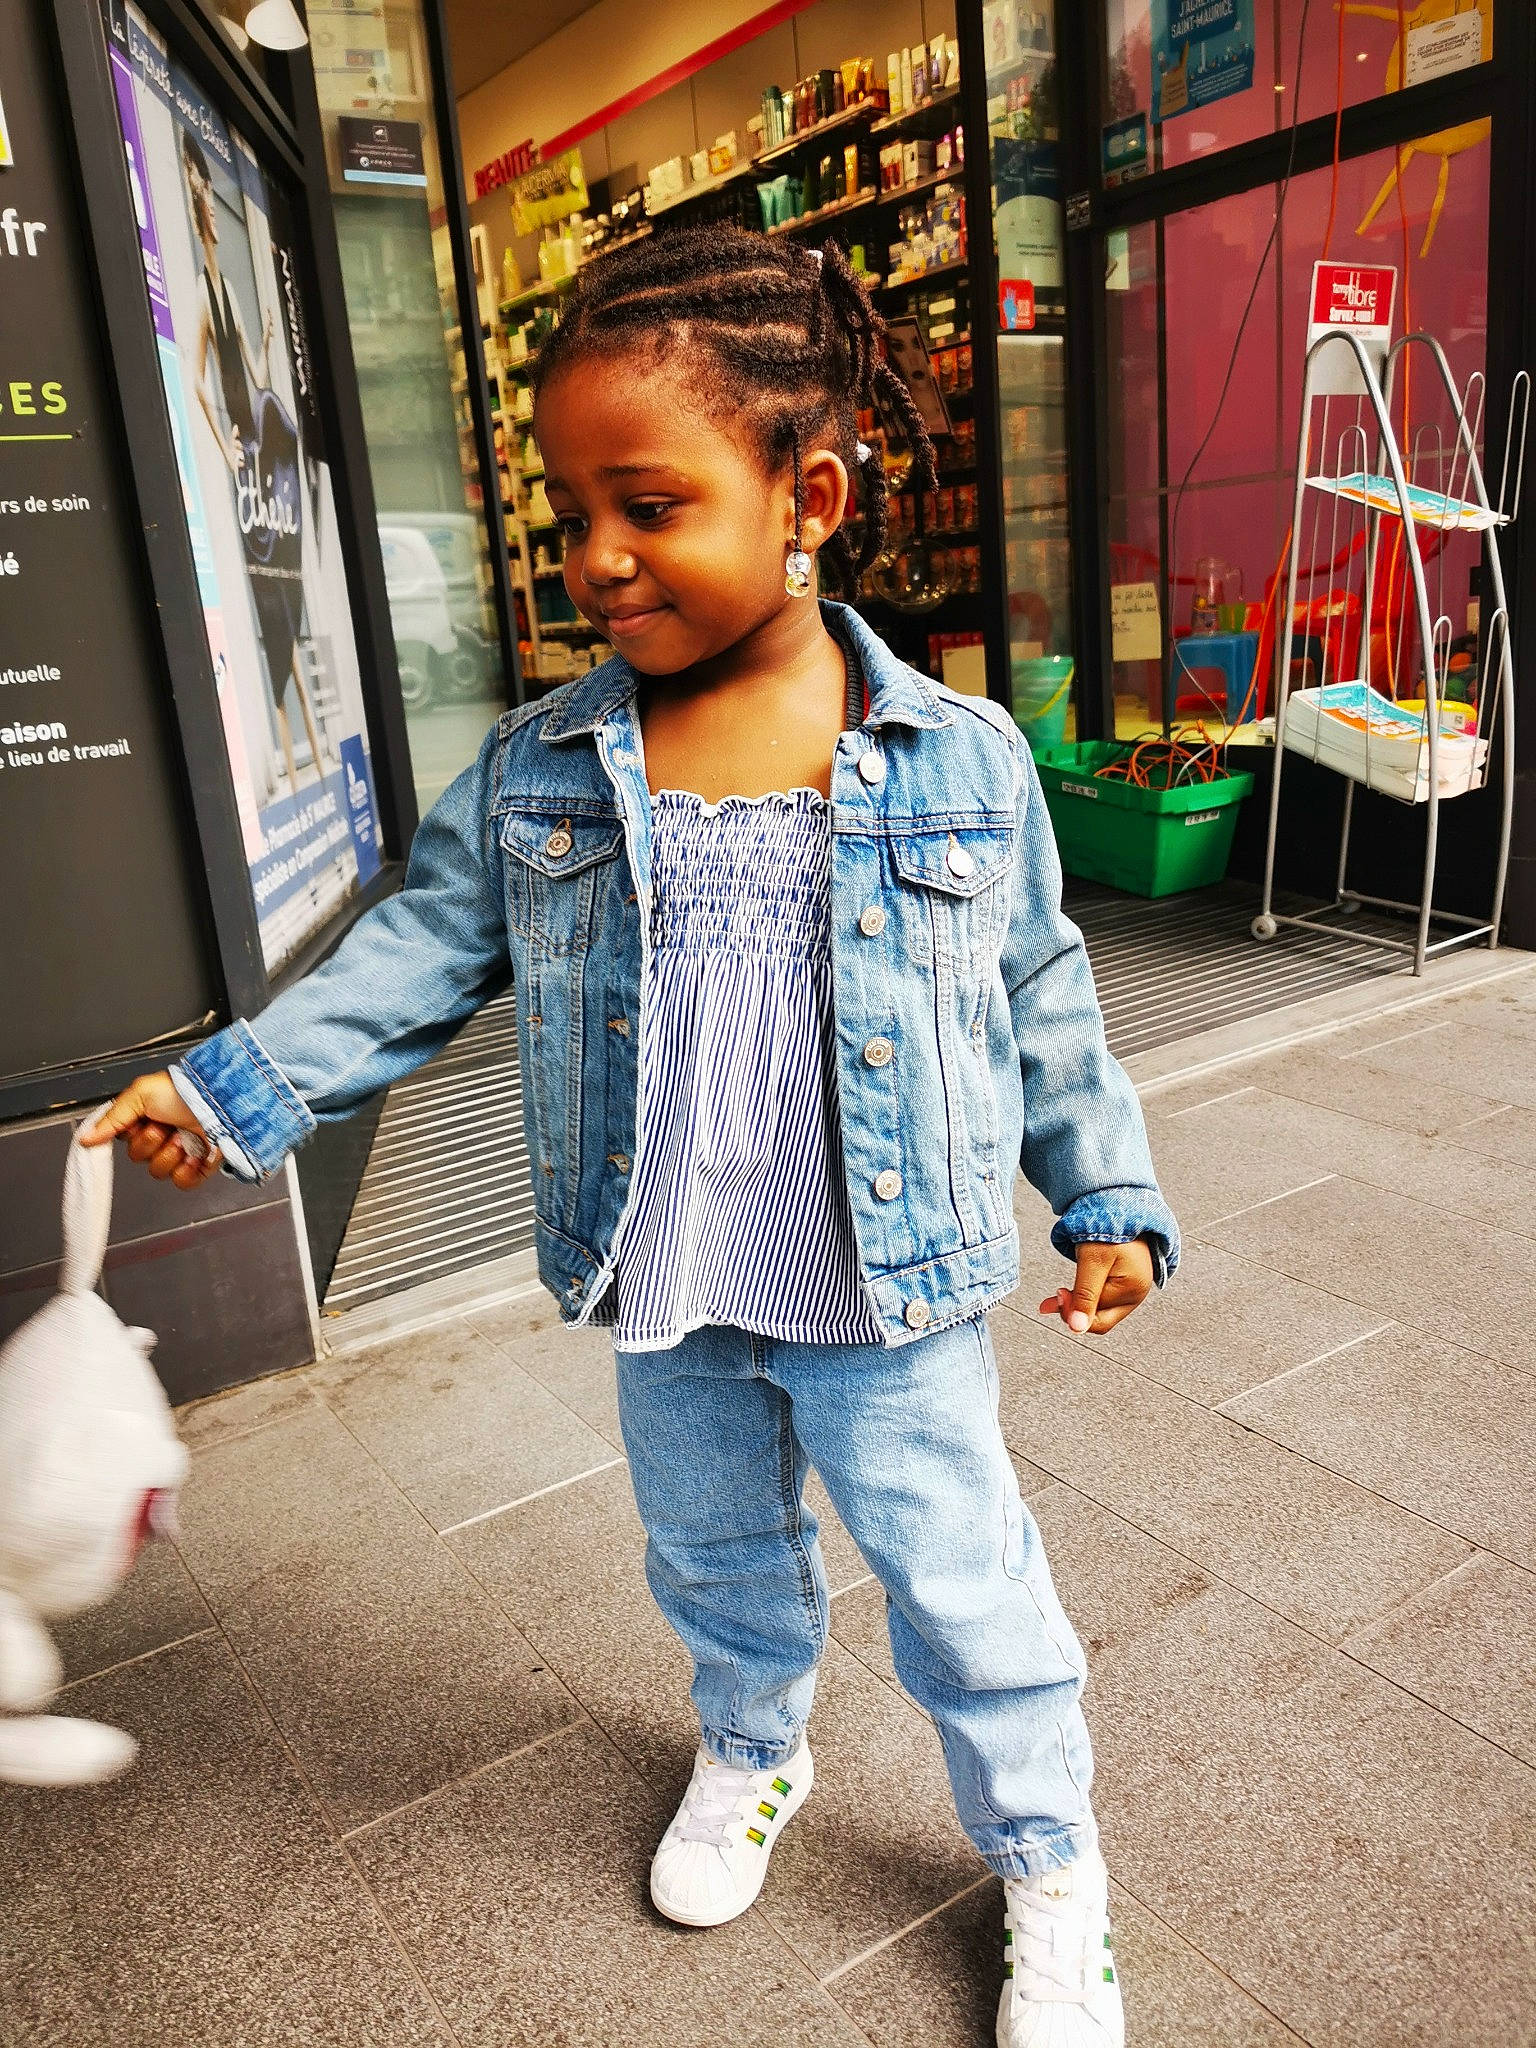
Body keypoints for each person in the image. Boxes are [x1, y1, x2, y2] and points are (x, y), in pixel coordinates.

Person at [87, 229, 1177, 2048]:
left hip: (881, 1292)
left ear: (804, 493)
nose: (594, 555)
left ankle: (1051, 1857)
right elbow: (417, 958)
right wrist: (234, 1086)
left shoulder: (961, 755)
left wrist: (1107, 1195)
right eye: (568, 509)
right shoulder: (540, 766)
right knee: (712, 1558)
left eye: (647, 502)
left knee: (958, 1574)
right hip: (666, 1267)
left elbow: (1040, 992)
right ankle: (756, 1746)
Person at [182, 128, 329, 808]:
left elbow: (253, 381)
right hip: (248, 474)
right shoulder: (199, 297)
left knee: (285, 587)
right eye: (194, 189)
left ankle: (312, 775)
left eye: (205, 188)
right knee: (269, 603)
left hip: (267, 467)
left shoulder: (231, 299)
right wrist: (222, 446)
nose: (203, 201)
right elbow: (196, 382)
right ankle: (296, 775)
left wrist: (269, 345)